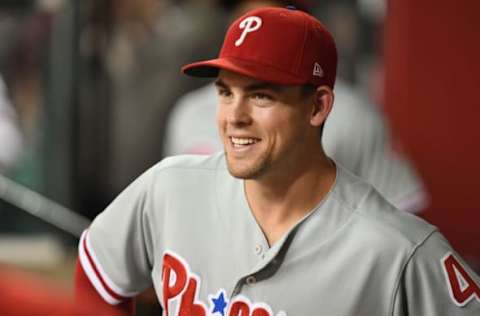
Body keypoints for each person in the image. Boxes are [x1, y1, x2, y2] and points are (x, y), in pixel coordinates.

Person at [75, 6, 480, 316]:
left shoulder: (399, 252)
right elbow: (98, 272)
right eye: (225, 92)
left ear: (318, 106)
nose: (234, 116)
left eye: (261, 95)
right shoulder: (168, 187)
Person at [164, 0, 426, 214]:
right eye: (242, 19)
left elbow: (403, 215)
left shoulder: (352, 115)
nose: (250, 33)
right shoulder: (189, 112)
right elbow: (176, 208)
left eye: (269, 24)